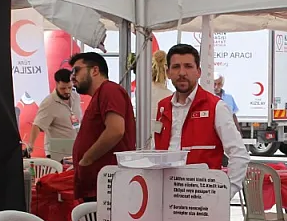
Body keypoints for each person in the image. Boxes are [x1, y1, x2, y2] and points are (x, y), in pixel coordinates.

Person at [155, 44, 249, 194]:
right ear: (168, 72)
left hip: (202, 197)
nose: (182, 73)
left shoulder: (216, 107)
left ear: (198, 72)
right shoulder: (162, 107)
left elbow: (239, 154)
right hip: (164, 194)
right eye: (176, 67)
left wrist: (226, 193)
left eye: (188, 66)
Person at [71, 51, 136, 202]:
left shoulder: (109, 90)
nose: (73, 76)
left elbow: (115, 130)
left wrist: (87, 159)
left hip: (107, 186)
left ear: (94, 70)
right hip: (99, 186)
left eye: (76, 70)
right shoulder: (100, 95)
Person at [23, 67, 80, 156]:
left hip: (74, 149)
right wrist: (30, 146)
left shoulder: (76, 97)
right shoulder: (49, 102)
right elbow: (37, 125)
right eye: (63, 88)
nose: (67, 91)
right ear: (56, 84)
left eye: (69, 87)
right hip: (56, 152)